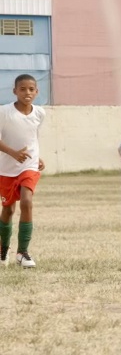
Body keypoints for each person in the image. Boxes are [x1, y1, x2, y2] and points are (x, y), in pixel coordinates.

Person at [0, 74, 46, 268]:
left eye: (31, 89)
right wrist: (12, 153)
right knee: (8, 210)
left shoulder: (40, 113)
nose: (27, 93)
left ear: (36, 92)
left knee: (27, 202)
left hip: (29, 165)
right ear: (14, 91)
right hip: (7, 168)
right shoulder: (4, 112)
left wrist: (38, 157)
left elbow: (33, 137)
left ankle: (23, 253)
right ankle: (3, 250)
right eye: (22, 89)